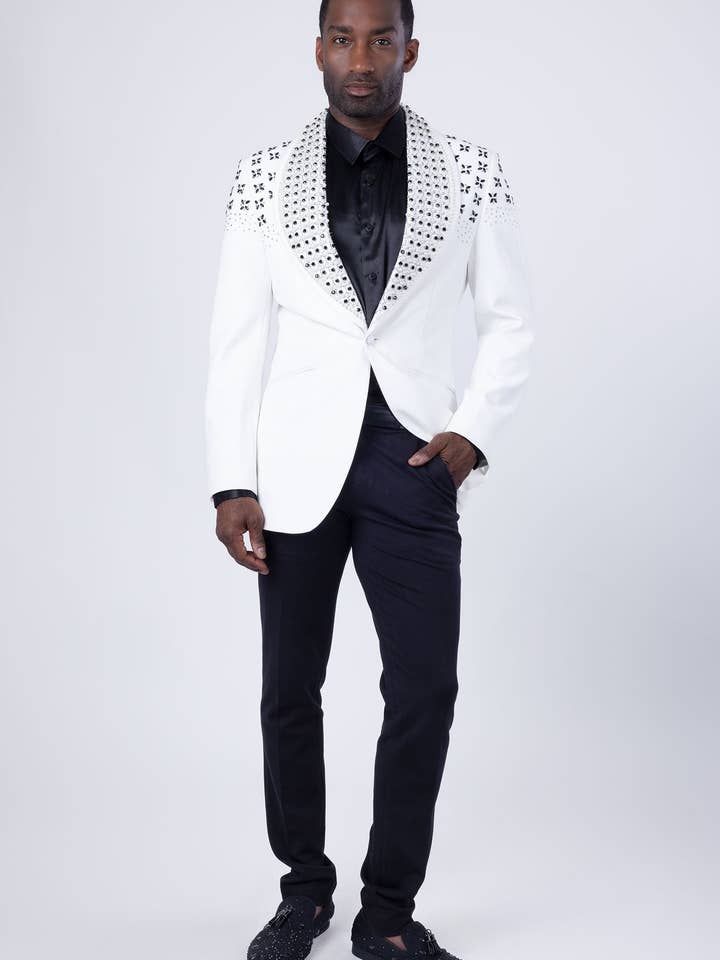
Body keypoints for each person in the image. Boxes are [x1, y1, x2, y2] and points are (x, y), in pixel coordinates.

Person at [204, 1, 534, 958]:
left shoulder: (469, 171)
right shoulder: (263, 177)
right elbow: (236, 340)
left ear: (410, 51)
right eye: (343, 39)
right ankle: (304, 894)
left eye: (381, 39)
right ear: (318, 49)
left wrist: (470, 433)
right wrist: (231, 482)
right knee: (288, 691)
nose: (361, 58)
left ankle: (387, 910)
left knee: (425, 688)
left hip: (413, 460)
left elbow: (511, 320)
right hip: (292, 469)